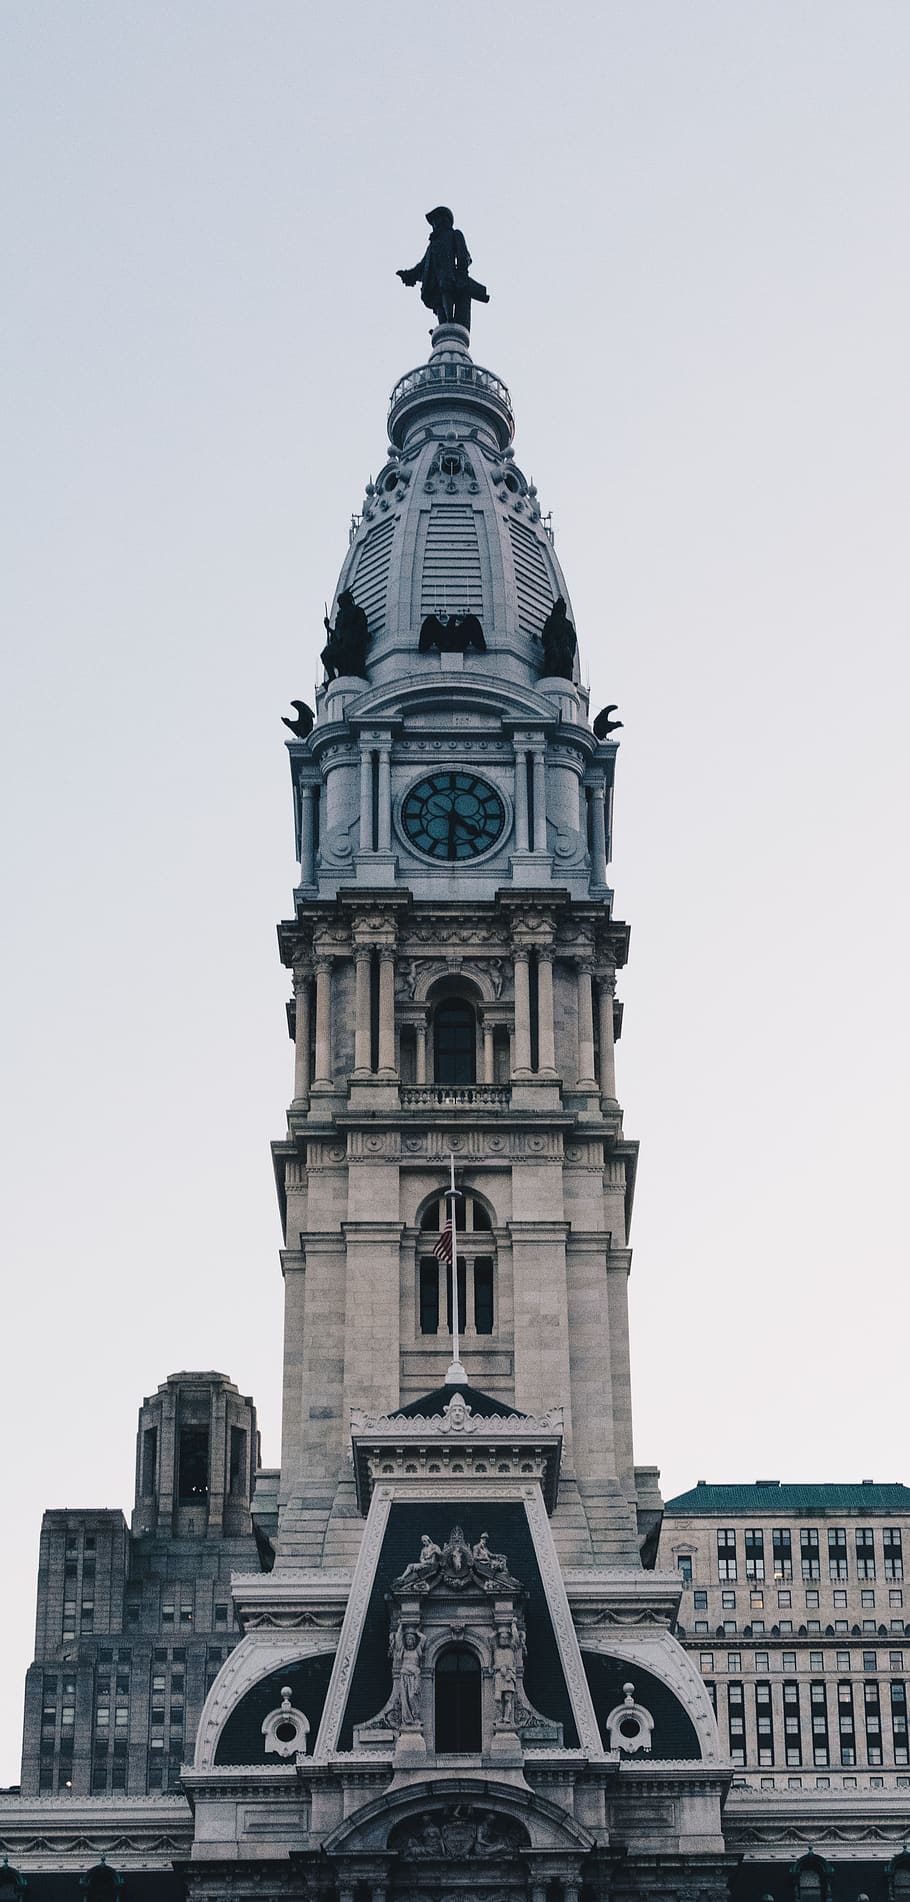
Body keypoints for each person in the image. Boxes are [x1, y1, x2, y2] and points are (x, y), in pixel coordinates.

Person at [398, 207, 490, 332]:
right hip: (434, 280)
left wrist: (461, 272)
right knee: (438, 302)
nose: (434, 224)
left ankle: (450, 319)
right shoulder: (433, 244)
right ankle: (444, 324)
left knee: (446, 290)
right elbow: (423, 265)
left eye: (436, 220)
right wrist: (409, 274)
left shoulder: (454, 234)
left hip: (448, 275)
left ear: (444, 220)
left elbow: (463, 255)